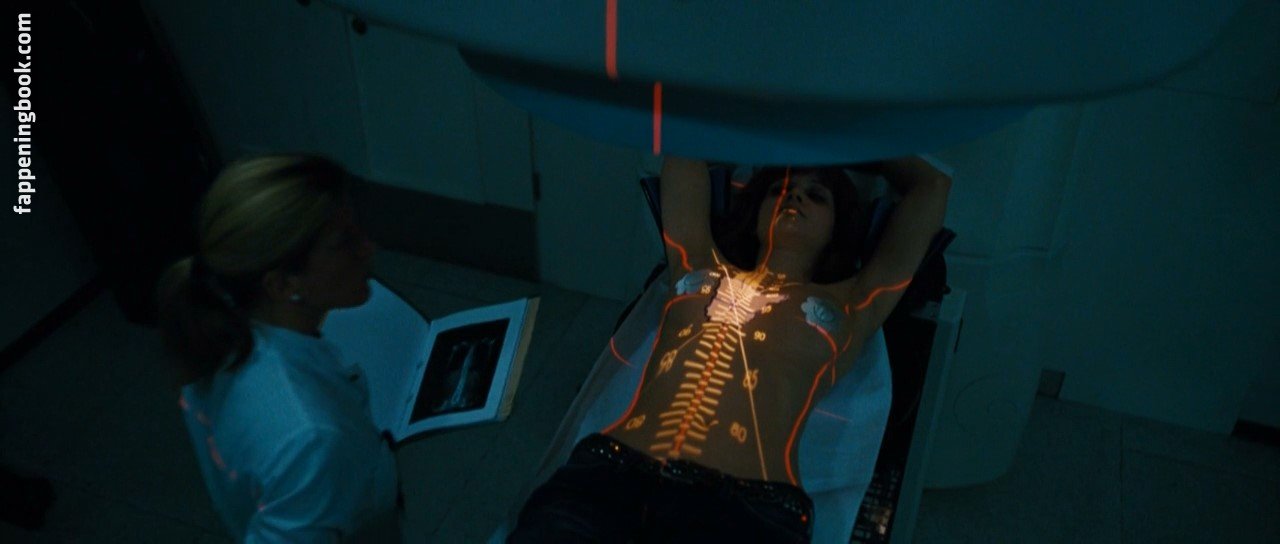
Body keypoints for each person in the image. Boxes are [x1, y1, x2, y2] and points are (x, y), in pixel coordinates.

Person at [507, 155, 951, 543]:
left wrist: (843, 131)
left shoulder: (852, 305)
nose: (793, 197)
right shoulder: (696, 261)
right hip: (604, 480)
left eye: (816, 195)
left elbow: (932, 186)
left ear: (838, 226)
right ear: (755, 211)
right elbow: (684, 151)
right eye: (778, 190)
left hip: (743, 511)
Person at [155, 154, 401, 542]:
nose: (369, 247)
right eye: (345, 242)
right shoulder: (311, 439)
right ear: (283, 285)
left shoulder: (222, 327)